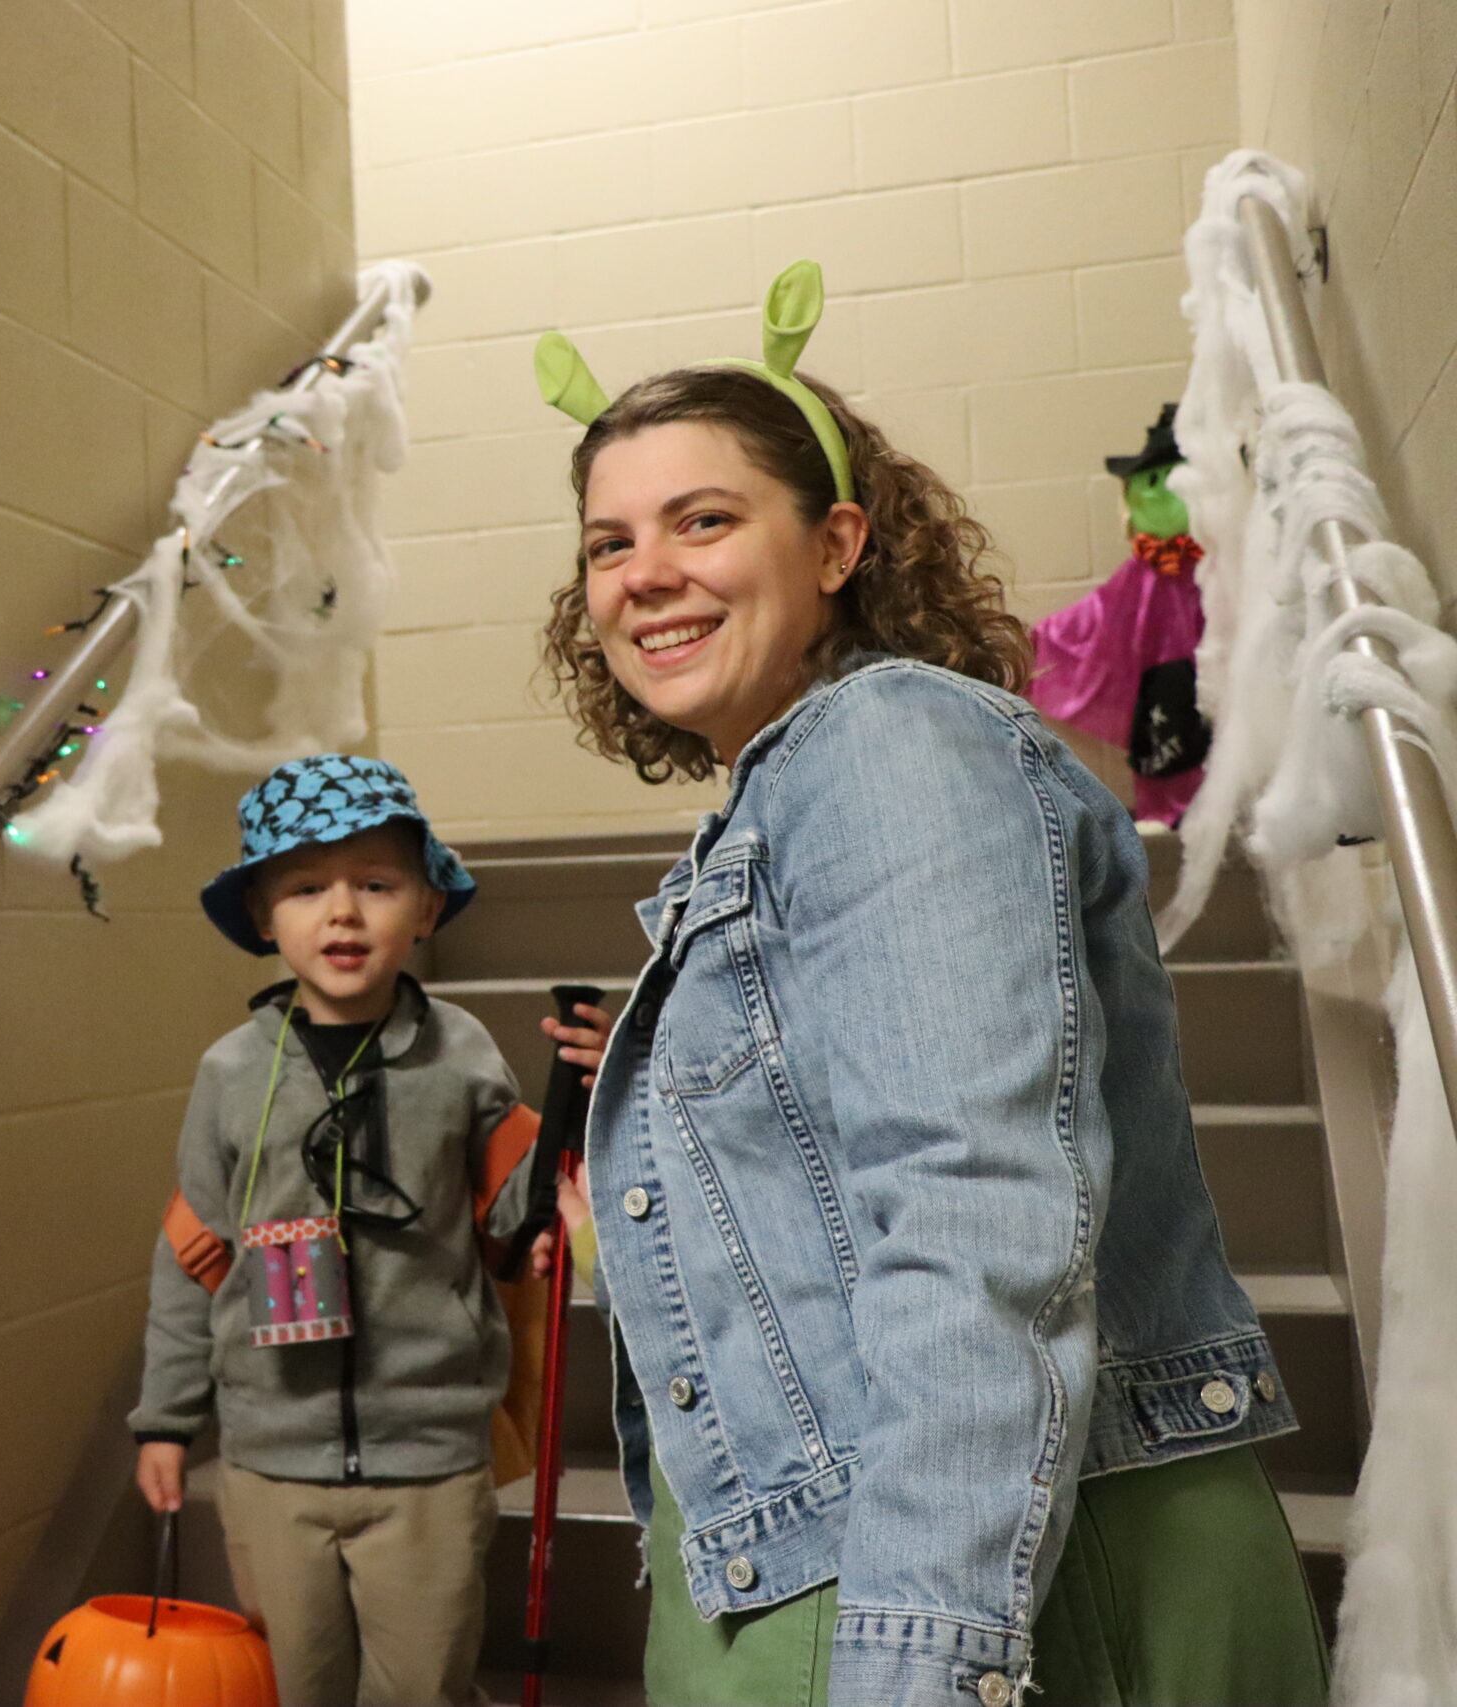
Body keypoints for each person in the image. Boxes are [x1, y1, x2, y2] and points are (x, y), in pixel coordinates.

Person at [529, 267, 1329, 1707]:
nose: (641, 571)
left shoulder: (893, 746)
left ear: (838, 541)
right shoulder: (792, 797)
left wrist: (923, 1657)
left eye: (703, 519)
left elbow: (972, 1212)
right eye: (608, 541)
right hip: (846, 1567)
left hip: (979, 1585)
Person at [128, 754, 550, 1707]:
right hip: (273, 1460)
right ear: (264, 919)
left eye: (377, 883)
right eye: (307, 888)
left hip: (431, 1458)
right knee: (299, 1684)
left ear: (429, 907)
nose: (344, 912)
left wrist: (571, 1135)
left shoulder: (465, 1054)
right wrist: (164, 1419)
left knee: (421, 1688)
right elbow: (190, 1253)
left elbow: (517, 1217)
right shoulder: (230, 1073)